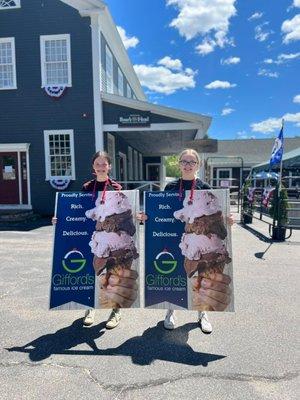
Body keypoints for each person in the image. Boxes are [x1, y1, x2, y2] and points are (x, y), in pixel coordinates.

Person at [139, 148, 233, 334]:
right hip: (174, 235)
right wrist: (148, 217)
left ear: (198, 165)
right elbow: (162, 211)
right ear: (179, 164)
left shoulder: (205, 188)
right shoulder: (171, 188)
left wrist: (228, 221)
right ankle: (171, 310)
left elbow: (215, 215)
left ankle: (202, 312)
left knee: (204, 274)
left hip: (199, 238)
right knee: (174, 272)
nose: (188, 165)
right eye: (184, 161)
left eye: (192, 162)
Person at [53, 151, 138, 329]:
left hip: (116, 240)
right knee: (94, 273)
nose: (101, 167)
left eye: (104, 164)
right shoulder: (86, 188)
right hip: (93, 238)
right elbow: (77, 211)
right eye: (97, 164)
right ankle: (91, 307)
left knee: (116, 274)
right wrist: (59, 218)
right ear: (93, 166)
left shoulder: (117, 188)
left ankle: (116, 311)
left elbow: (126, 213)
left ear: (109, 166)